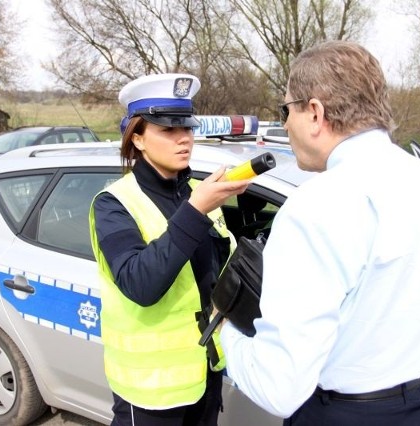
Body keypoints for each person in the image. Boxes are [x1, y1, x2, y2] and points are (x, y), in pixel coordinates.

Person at [218, 41, 420, 425]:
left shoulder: (316, 205)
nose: (286, 123)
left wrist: (226, 328)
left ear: (314, 113)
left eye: (286, 109)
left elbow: (278, 388)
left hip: (344, 413)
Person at [89, 73, 248, 426]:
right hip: (150, 392)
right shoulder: (114, 204)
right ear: (139, 139)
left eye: (187, 128)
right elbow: (140, 285)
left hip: (203, 374)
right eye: (168, 130)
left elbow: (217, 272)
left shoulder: (198, 191)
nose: (184, 139)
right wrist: (195, 211)